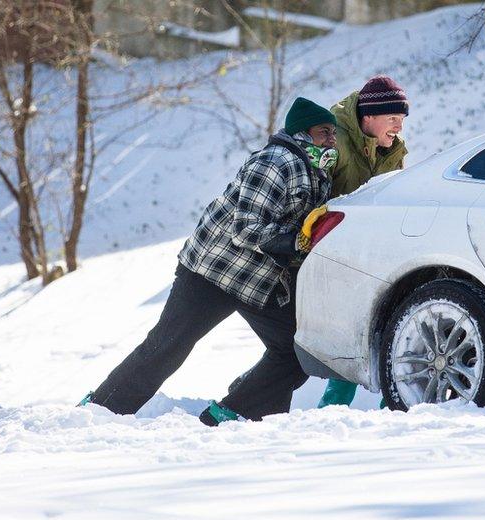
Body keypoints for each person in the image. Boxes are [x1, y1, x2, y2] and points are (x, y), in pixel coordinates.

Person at [84, 97, 338, 426]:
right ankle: (101, 410)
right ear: (303, 133)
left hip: (254, 280)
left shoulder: (316, 171)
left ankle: (232, 414)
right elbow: (245, 227)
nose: (332, 139)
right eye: (324, 132)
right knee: (168, 345)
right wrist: (293, 242)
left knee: (295, 348)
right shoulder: (278, 161)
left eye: (333, 133)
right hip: (212, 271)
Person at [316, 75, 409, 408]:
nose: (399, 126)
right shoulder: (334, 141)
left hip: (371, 250)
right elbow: (310, 194)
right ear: (368, 116)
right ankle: (331, 410)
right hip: (329, 249)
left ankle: (397, 404)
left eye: (401, 119)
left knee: (389, 319)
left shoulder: (393, 152)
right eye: (393, 118)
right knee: (345, 327)